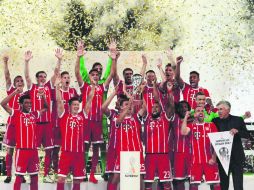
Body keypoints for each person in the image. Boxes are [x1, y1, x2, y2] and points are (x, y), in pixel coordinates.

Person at [75, 41, 113, 183]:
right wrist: (80, 56)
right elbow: (80, 70)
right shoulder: (85, 83)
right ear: (91, 74)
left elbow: (110, 72)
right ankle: (82, 172)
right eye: (95, 71)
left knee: (101, 146)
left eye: (99, 70)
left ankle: (104, 171)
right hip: (86, 120)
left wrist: (112, 57)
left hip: (100, 119)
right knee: (84, 146)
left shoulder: (103, 83)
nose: (97, 73)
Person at [24, 49, 62, 182]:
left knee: (49, 151)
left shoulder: (48, 87)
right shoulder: (32, 87)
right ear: (37, 78)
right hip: (35, 124)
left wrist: (59, 59)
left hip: (47, 124)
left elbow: (56, 73)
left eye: (44, 76)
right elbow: (27, 77)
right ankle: (32, 173)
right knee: (32, 150)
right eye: (40, 76)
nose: (43, 78)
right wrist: (26, 62)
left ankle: (46, 175)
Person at [1, 89, 48, 190]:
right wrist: (15, 93)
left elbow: (46, 108)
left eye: (30, 103)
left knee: (34, 177)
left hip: (33, 151)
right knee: (19, 177)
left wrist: (43, 96)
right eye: (26, 103)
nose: (29, 104)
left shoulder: (34, 114)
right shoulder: (16, 114)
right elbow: (3, 103)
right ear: (21, 104)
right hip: (21, 151)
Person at [55, 77, 94, 190]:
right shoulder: (64, 116)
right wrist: (57, 87)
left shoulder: (82, 116)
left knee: (77, 180)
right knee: (61, 179)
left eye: (78, 105)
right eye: (74, 105)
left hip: (79, 154)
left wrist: (93, 86)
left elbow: (90, 100)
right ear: (70, 106)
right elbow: (58, 101)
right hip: (66, 153)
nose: (77, 106)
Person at [140, 82, 175, 190]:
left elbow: (171, 105)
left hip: (163, 156)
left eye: (157, 107)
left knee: (166, 185)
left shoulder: (165, 118)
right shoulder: (147, 119)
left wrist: (169, 91)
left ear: (161, 109)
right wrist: (141, 93)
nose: (154, 109)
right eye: (153, 107)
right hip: (149, 156)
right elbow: (143, 105)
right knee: (148, 184)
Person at [212, 101, 250, 190]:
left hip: (236, 157)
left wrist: (238, 131)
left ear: (228, 110)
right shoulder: (215, 121)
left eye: (221, 109)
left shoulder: (238, 120)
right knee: (223, 185)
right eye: (218, 109)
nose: (219, 111)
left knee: (238, 185)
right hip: (222, 157)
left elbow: (247, 135)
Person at [181, 106, 221, 190]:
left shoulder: (211, 125)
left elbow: (217, 143)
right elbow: (183, 132)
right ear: (195, 114)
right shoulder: (191, 126)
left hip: (210, 161)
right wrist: (186, 117)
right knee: (193, 185)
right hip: (195, 162)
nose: (200, 112)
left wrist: (214, 158)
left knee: (216, 184)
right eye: (198, 111)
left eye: (202, 111)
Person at [2, 55, 26, 183]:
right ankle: (9, 174)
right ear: (14, 83)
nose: (19, 82)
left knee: (21, 151)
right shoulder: (11, 90)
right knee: (10, 150)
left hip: (23, 126)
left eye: (21, 81)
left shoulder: (27, 95)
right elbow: (7, 76)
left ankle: (20, 174)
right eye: (17, 81)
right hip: (12, 125)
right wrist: (5, 63)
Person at [51, 70, 78, 179]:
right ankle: (56, 172)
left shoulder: (73, 91)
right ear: (61, 80)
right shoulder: (56, 91)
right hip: (58, 125)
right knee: (56, 149)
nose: (67, 79)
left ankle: (69, 172)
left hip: (70, 127)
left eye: (68, 77)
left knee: (69, 149)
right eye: (64, 77)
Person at [171, 100, 192, 190]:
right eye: (181, 107)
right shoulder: (174, 119)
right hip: (177, 154)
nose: (183, 109)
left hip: (191, 154)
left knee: (193, 180)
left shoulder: (193, 121)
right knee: (178, 180)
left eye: (185, 107)